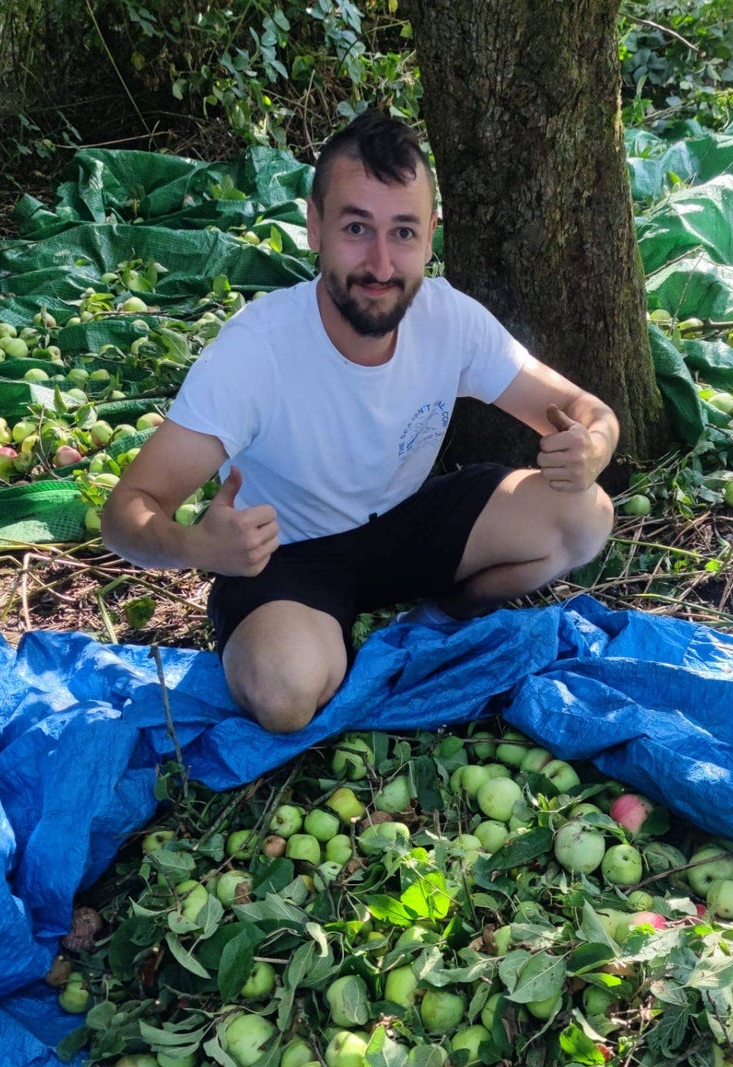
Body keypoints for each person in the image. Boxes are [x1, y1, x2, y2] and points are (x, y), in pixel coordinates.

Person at [102, 112, 617, 733]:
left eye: (402, 232)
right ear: (314, 226)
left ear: (430, 235)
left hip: (408, 524)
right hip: (289, 555)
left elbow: (589, 412)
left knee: (585, 515)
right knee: (284, 698)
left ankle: (435, 621)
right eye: (355, 227)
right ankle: (311, 640)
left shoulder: (451, 319)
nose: (379, 262)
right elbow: (125, 509)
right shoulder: (255, 352)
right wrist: (194, 547)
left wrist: (594, 446)